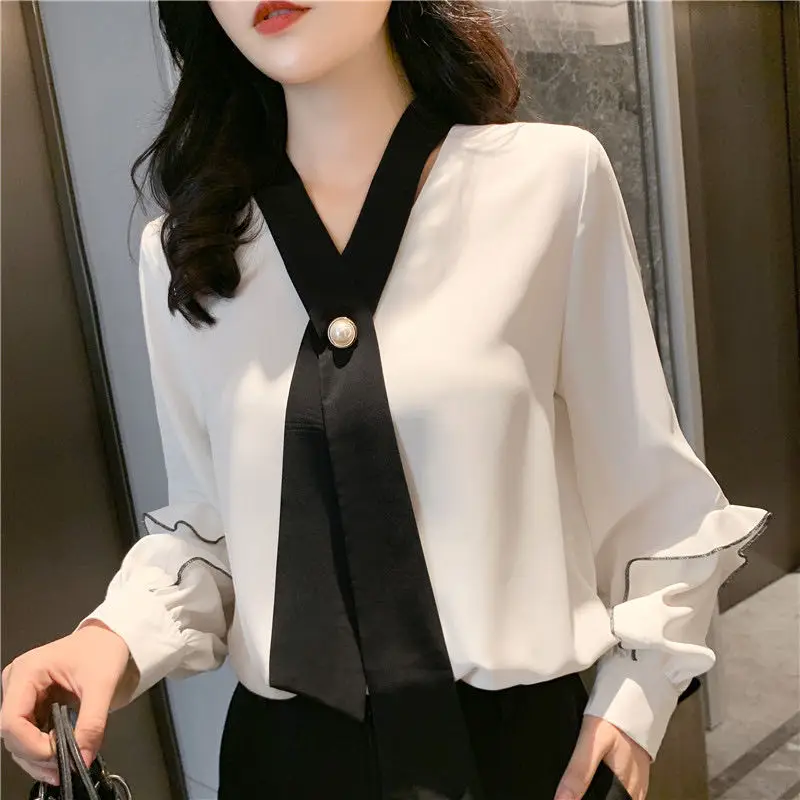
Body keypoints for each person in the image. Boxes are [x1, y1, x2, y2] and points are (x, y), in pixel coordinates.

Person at [0, 2, 769, 799]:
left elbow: (647, 491)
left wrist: (639, 691)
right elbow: (214, 528)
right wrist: (112, 638)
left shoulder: (547, 183)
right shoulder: (186, 251)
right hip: (286, 769)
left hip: (519, 758)